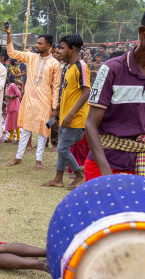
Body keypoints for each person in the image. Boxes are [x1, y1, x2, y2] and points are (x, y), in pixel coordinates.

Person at [84, 0, 145, 193]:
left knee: (143, 223)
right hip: (106, 164)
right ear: (143, 32)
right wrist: (106, 174)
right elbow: (90, 124)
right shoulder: (111, 69)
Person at [5, 24, 62, 170]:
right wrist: (9, 35)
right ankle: (18, 157)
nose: (37, 45)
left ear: (48, 45)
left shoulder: (55, 64)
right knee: (25, 130)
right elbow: (12, 53)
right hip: (29, 100)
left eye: (40, 43)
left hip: (44, 102)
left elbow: (56, 88)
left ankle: (38, 160)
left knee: (43, 132)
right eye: (37, 43)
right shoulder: (30, 57)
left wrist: (54, 107)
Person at [42, 34, 91, 190]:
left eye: (62, 48)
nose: (59, 51)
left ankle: (79, 175)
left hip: (75, 119)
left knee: (62, 148)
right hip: (64, 117)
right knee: (63, 149)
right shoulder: (68, 67)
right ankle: (58, 178)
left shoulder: (81, 66)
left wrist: (70, 115)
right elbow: (67, 92)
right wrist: (57, 110)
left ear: (72, 49)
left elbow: (86, 92)